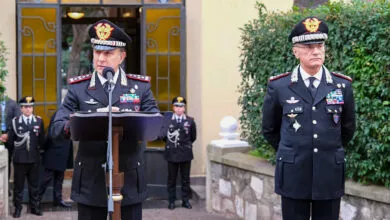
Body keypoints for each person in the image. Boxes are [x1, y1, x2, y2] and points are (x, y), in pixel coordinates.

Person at [51, 19, 159, 220]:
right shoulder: (78, 88)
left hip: (128, 177)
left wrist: (125, 118)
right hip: (91, 181)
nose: (100, 58)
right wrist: (85, 121)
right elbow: (58, 127)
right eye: (97, 52)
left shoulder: (140, 87)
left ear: (122, 56)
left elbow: (156, 123)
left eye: (108, 53)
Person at [262, 16, 356, 220]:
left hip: (329, 171)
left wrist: (327, 149)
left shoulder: (342, 85)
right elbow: (270, 129)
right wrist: (293, 149)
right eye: (308, 46)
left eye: (320, 45)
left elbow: (347, 129)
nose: (316, 51)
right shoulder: (279, 86)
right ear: (295, 51)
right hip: (294, 172)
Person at [8, 96, 45, 218]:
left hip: (34, 159)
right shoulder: (15, 121)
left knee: (34, 186)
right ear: (21, 108)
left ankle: (35, 207)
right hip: (19, 160)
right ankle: (18, 209)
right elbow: (11, 142)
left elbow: (41, 141)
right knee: (18, 187)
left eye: (30, 107)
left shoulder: (38, 121)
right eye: (26, 107)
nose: (29, 109)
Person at [160, 96, 197, 210]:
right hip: (172, 153)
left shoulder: (190, 121)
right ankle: (171, 201)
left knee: (185, 179)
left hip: (185, 154)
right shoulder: (167, 120)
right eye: (176, 106)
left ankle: (185, 201)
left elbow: (193, 137)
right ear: (173, 107)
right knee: (172, 179)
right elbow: (163, 136)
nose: (179, 109)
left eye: (181, 106)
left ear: (184, 108)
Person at [38, 110, 73, 208]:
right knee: (46, 179)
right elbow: (50, 134)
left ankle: (58, 200)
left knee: (59, 179)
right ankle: (36, 200)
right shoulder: (59, 114)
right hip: (52, 153)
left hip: (63, 153)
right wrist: (43, 147)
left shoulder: (70, 114)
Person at [0, 96, 21, 182]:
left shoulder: (13, 103)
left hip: (9, 138)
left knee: (7, 161)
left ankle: (6, 187)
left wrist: (8, 134)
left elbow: (17, 120)